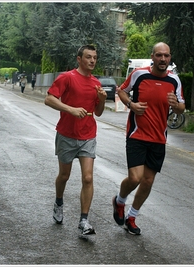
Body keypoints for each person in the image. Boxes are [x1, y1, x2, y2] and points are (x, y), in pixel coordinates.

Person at [112, 42, 185, 235]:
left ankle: (132, 217)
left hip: (158, 138)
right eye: (159, 55)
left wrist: (176, 104)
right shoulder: (139, 74)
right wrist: (131, 104)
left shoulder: (175, 80)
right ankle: (119, 201)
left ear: (170, 58)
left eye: (166, 56)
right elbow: (121, 90)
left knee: (148, 181)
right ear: (152, 56)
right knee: (135, 178)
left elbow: (182, 107)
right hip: (137, 134)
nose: (163, 59)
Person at [44, 44, 107, 236]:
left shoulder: (96, 83)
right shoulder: (67, 77)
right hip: (67, 135)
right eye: (88, 57)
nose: (92, 61)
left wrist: (102, 99)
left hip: (88, 135)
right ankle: (59, 202)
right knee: (64, 176)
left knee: (88, 177)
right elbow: (49, 99)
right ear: (79, 59)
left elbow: (98, 112)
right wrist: (70, 109)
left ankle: (84, 221)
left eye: (94, 57)